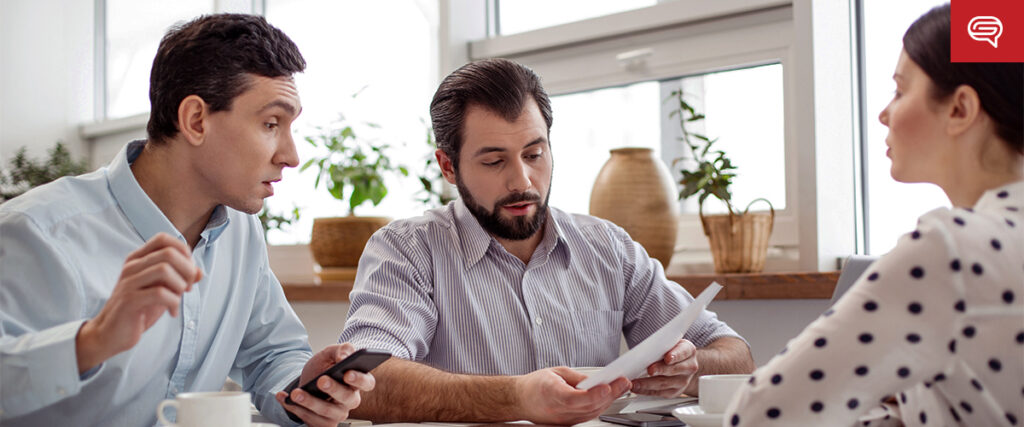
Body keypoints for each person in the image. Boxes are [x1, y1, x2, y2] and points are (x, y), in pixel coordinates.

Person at [0, 14, 373, 427]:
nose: (291, 155)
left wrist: (305, 388)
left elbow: (273, 353)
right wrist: (94, 340)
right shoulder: (36, 231)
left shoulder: (241, 232)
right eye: (271, 124)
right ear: (196, 120)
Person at [338, 58, 755, 425]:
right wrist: (516, 397)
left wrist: (692, 366)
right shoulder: (407, 251)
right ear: (448, 166)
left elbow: (737, 357)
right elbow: (364, 385)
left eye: (534, 155)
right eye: (494, 160)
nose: (522, 181)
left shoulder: (608, 248)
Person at [725, 4, 1023, 426]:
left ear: (960, 109)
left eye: (900, 91)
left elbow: (760, 414)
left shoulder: (950, 251)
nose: (884, 113)